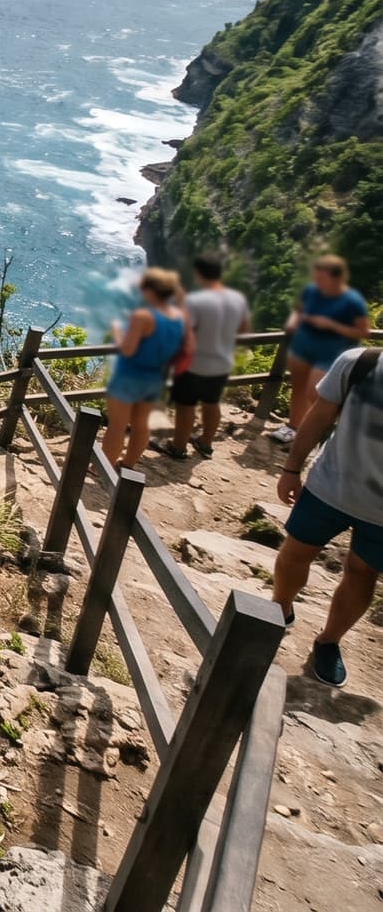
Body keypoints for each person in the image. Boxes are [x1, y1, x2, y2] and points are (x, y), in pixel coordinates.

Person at [271, 343, 383, 686]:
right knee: (295, 552)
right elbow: (320, 415)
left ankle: (329, 641)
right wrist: (291, 468)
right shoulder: (359, 363)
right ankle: (279, 610)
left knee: (362, 574)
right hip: (328, 487)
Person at [160, 254, 250, 460]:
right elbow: (243, 329)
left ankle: (178, 447)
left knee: (186, 405)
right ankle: (205, 443)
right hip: (222, 362)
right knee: (212, 404)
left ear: (198, 274)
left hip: (195, 364)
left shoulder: (196, 301)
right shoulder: (237, 299)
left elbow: (184, 331)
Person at [101, 268, 190, 471]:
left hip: (129, 376)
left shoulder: (143, 317)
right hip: (155, 377)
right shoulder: (178, 317)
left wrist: (116, 330)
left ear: (151, 290)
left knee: (117, 426)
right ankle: (128, 465)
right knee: (141, 425)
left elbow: (128, 349)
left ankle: (102, 469)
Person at [275, 256, 370, 447]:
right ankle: (292, 427)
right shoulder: (312, 290)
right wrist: (293, 322)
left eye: (321, 278)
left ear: (336, 278)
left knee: (316, 393)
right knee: (298, 388)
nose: (317, 281)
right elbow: (299, 309)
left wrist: (331, 325)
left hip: (331, 353)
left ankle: (313, 435)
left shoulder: (352, 301)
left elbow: (362, 330)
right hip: (303, 346)